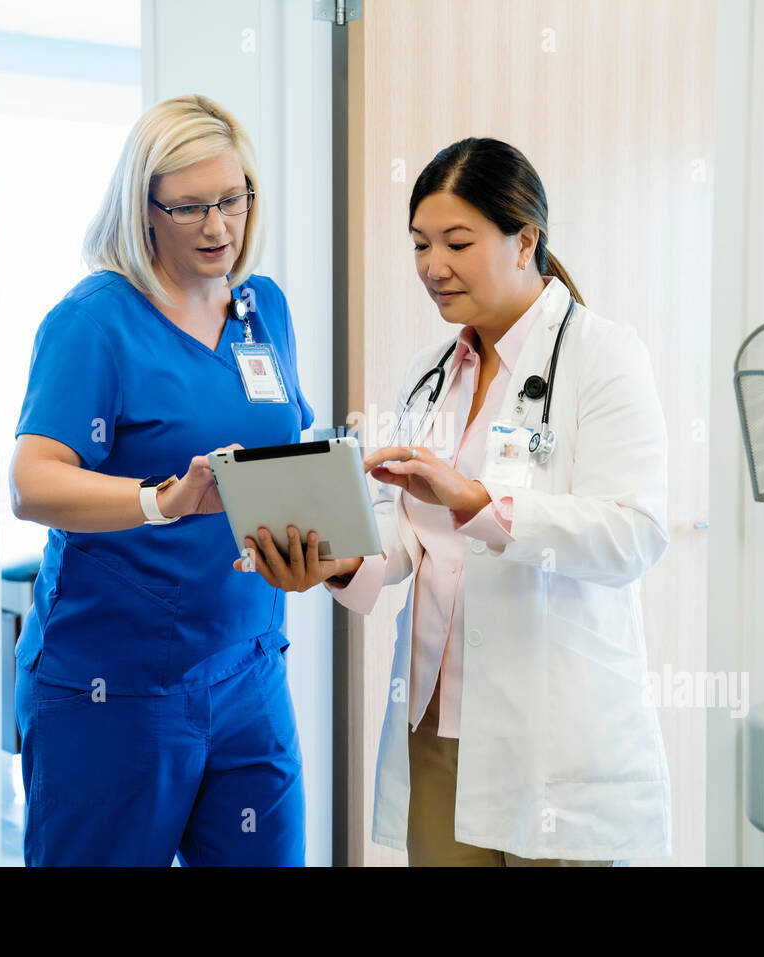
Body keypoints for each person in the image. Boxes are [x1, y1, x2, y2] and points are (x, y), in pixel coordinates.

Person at [239, 138, 672, 866]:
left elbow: (634, 534)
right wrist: (339, 558)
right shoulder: (431, 373)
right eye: (419, 244)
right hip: (436, 727)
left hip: (554, 740)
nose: (432, 267)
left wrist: (479, 501)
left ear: (525, 239)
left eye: (458, 242)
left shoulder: (603, 355)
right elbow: (403, 529)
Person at [10, 94, 313, 866]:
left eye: (232, 200)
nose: (218, 227)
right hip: (115, 686)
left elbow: (285, 444)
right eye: (189, 208)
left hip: (248, 668)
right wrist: (159, 500)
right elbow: (32, 482)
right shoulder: (95, 322)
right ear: (143, 210)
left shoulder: (262, 309)